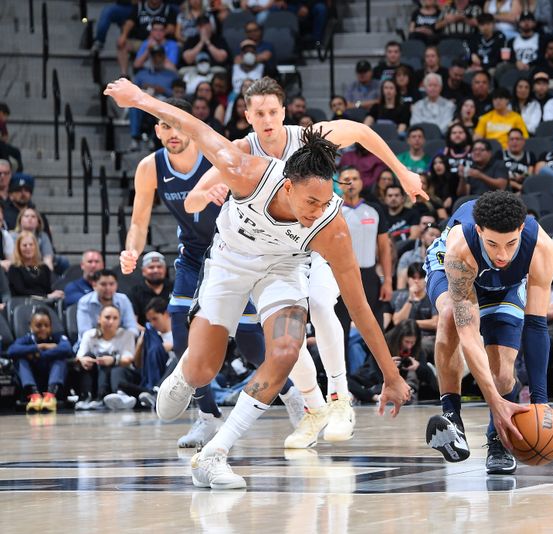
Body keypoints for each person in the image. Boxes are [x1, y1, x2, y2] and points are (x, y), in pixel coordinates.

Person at [104, 77, 413, 488]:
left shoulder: (331, 225)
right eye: (309, 202)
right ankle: (184, 373)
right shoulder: (244, 168)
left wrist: (391, 376)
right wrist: (138, 99)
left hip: (282, 268)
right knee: (202, 370)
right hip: (230, 263)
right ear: (287, 185)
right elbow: (195, 126)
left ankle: (216, 454)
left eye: (324, 202)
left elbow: (359, 308)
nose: (316, 211)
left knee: (286, 349)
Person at [121, 96, 273, 448]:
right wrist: (132, 249)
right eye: (163, 125)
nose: (171, 132)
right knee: (178, 317)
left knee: (251, 343)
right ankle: (206, 416)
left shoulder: (214, 153)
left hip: (232, 252)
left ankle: (296, 397)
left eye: (176, 123)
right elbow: (139, 220)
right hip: (192, 253)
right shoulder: (150, 167)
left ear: (189, 123)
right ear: (156, 130)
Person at [423, 191, 553, 475]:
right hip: (456, 272)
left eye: (511, 244)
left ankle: (498, 439)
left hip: (505, 286)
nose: (502, 254)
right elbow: (469, 334)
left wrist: (540, 402)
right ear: (480, 230)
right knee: (449, 314)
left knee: (503, 374)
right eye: (493, 244)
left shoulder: (542, 248)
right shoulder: (460, 247)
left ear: (521, 229)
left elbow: (535, 326)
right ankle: (452, 417)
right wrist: (494, 402)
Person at [74, 304, 138, 410]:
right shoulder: (89, 335)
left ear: (119, 321)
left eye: (115, 318)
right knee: (88, 356)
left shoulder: (127, 335)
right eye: (107, 317)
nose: (111, 321)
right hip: (95, 375)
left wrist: (113, 360)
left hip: (118, 375)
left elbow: (128, 359)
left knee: (108, 360)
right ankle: (86, 396)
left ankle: (104, 397)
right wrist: (84, 360)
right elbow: (79, 356)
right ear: (99, 319)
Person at [9, 309, 72, 412]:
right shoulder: (27, 339)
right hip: (33, 383)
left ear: (51, 327)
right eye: (38, 325)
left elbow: (67, 348)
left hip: (53, 383)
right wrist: (39, 347)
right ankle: (34, 396)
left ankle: (50, 397)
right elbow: (11, 350)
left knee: (61, 358)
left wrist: (39, 355)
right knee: (20, 359)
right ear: (31, 326)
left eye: (46, 325)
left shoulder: (58, 337)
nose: (43, 329)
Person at [76, 269, 139, 341]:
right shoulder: (84, 302)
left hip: (119, 342)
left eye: (111, 284)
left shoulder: (123, 300)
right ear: (94, 285)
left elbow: (132, 328)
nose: (108, 288)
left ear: (116, 285)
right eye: (103, 284)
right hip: (91, 344)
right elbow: (84, 332)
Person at [7, 232, 62, 299]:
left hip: (45, 304)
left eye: (31, 244)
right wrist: (46, 296)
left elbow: (48, 289)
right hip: (23, 304)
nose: (28, 247)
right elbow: (21, 292)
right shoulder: (15, 268)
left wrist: (56, 293)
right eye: (24, 245)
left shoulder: (41, 268)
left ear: (35, 247)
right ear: (19, 248)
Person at [126, 251, 173, 325]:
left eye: (159, 267)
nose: (156, 270)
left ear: (165, 270)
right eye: (151, 267)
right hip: (144, 334)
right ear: (143, 271)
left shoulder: (175, 289)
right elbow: (133, 322)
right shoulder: (135, 292)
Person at [499, 128, 536, 193]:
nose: (514, 142)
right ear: (508, 142)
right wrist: (518, 186)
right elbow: (498, 176)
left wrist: (523, 176)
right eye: (512, 139)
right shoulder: (500, 155)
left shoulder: (530, 155)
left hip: (525, 192)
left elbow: (530, 174)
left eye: (517, 139)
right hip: (504, 191)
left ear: (523, 141)